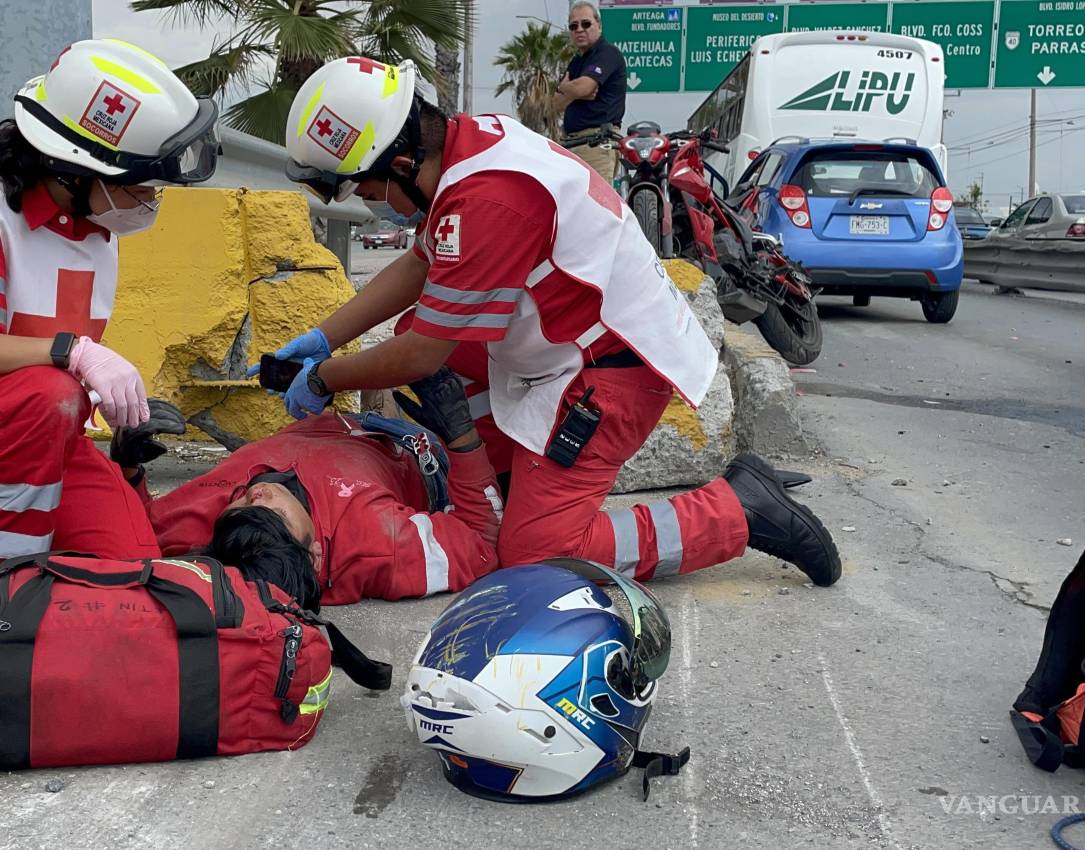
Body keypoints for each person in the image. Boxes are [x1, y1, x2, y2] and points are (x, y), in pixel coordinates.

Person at [273, 56, 841, 589]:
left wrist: (326, 376)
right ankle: (511, 485)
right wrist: (327, 336)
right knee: (414, 341)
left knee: (533, 555)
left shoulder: (489, 198)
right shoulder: (471, 147)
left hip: (612, 374)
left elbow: (424, 353)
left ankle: (738, 509)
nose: (369, 200)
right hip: (580, 343)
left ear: (399, 163)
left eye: (365, 188)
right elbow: (420, 264)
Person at [0, 39, 218, 559]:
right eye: (139, 182)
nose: (150, 198)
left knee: (134, 565)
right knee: (50, 394)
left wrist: (126, 450)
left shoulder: (97, 230)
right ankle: (13, 572)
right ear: (73, 171)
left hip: (47, 438)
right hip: (34, 417)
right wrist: (71, 352)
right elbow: (53, 377)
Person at [119, 369, 503, 610]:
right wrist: (462, 436)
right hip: (415, 450)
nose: (259, 492)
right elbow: (482, 545)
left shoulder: (218, 533)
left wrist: (127, 465)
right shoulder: (379, 546)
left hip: (336, 428)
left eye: (241, 502)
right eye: (276, 513)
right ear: (316, 555)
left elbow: (133, 534)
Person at [553, 1, 627, 181]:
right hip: (572, 143)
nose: (579, 29)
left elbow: (583, 88)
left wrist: (566, 87)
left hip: (598, 143)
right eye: (573, 26)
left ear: (599, 26)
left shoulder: (608, 53)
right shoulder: (577, 61)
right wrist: (575, 92)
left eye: (586, 24)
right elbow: (555, 103)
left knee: (596, 206)